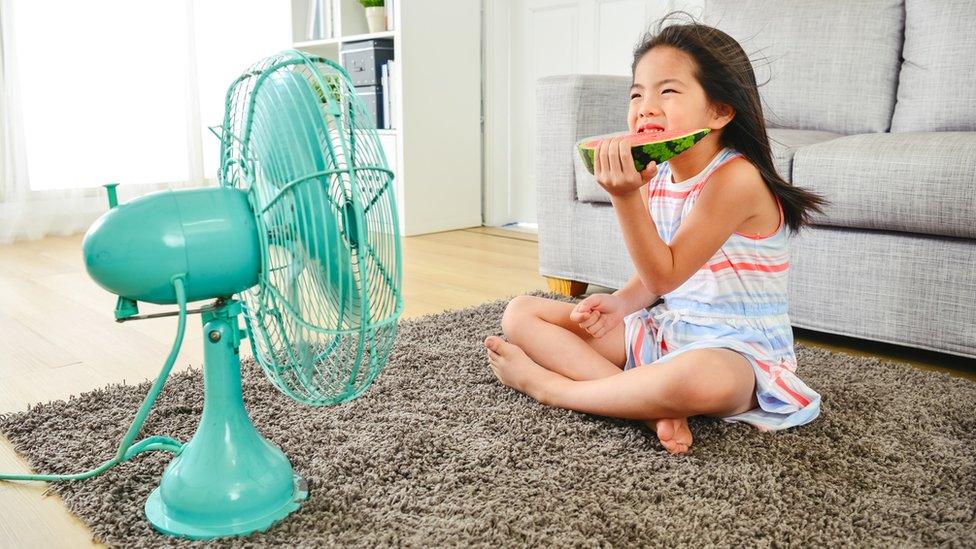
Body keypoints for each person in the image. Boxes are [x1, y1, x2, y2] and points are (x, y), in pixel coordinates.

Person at [484, 15, 827, 454]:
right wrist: (621, 303)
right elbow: (654, 275)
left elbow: (666, 275)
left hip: (737, 351)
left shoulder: (735, 179)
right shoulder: (660, 172)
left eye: (667, 91)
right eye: (637, 93)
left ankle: (553, 389)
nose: (645, 106)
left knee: (693, 376)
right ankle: (648, 408)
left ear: (720, 111)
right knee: (520, 313)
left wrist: (624, 198)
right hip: (670, 332)